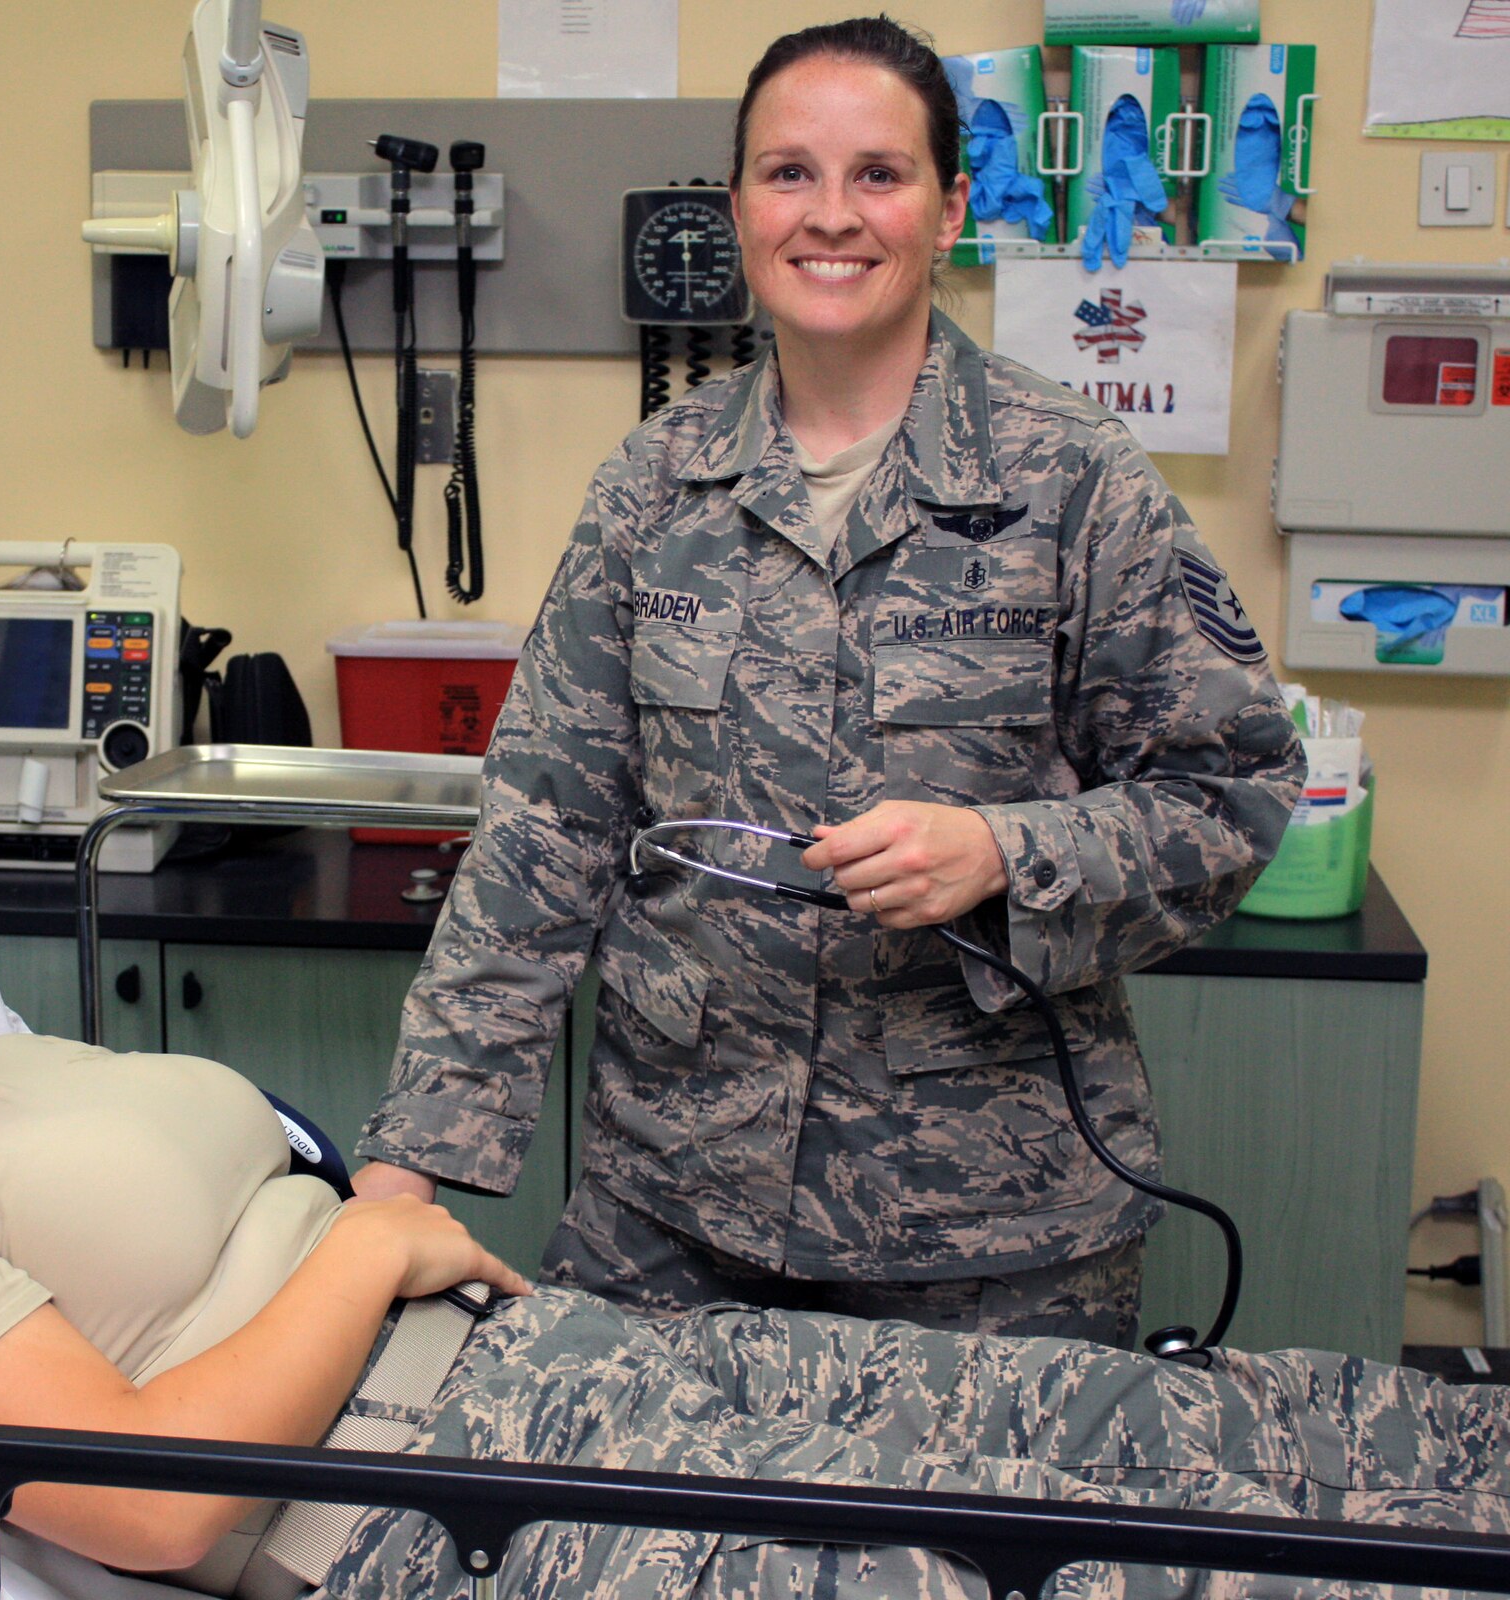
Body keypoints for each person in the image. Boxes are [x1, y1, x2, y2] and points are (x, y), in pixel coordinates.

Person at [0, 754, 1510, 1600]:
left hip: (563, 1368)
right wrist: (375, 1246)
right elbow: (147, 1504)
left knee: (1134, 1418)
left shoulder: (6, 1058)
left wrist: (383, 1243)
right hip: (451, 1512)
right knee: (1126, 1547)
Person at [352, 17, 1306, 1345]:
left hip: (988, 1232)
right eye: (790, 173)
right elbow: (545, 830)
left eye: (880, 174)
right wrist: (408, 1162)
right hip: (671, 1208)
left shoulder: (1071, 478)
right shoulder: (654, 483)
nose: (832, 216)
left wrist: (1002, 851)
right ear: (737, 203)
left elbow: (1236, 790)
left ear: (951, 206)